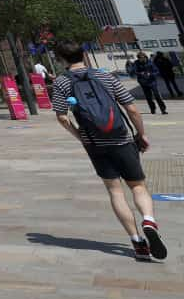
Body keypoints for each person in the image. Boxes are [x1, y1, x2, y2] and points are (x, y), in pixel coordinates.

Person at [50, 40, 166, 262]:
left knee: (115, 191)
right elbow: (131, 108)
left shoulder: (62, 83)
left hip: (95, 144)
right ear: (83, 55)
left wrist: (81, 137)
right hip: (121, 139)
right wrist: (141, 134)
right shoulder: (104, 76)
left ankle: (137, 242)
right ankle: (149, 220)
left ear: (61, 60)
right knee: (138, 186)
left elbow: (62, 117)